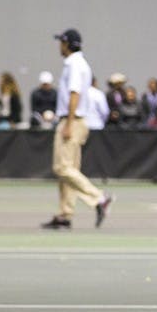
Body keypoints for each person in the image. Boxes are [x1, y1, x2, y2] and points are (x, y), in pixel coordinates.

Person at [41, 29, 112, 230]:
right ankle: (65, 214)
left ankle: (99, 198)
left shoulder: (74, 64)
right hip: (77, 120)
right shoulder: (80, 64)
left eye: (61, 42)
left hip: (73, 120)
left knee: (62, 168)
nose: (59, 46)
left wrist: (69, 123)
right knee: (69, 170)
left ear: (67, 44)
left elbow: (75, 94)